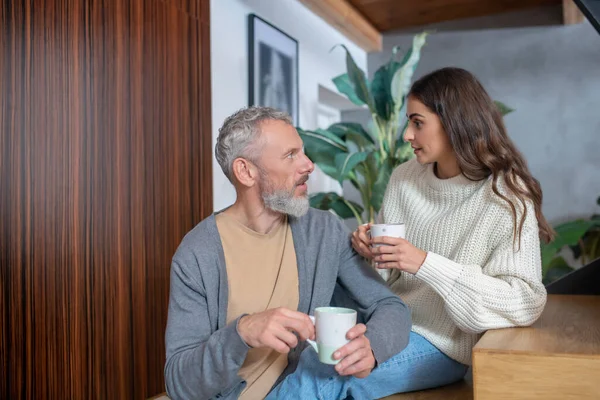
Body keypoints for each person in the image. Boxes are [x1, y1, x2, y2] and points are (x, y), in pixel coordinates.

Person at [164, 106, 412, 400]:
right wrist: (242, 332)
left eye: (303, 152)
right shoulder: (198, 253)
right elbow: (179, 383)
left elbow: (390, 307)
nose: (309, 165)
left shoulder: (322, 232)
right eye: (290, 155)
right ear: (246, 171)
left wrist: (372, 346)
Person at [351, 67, 551, 393]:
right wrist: (369, 252)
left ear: (454, 122)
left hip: (442, 345)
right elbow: (389, 279)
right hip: (386, 323)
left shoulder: (506, 194)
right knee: (308, 356)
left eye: (417, 122)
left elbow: (525, 301)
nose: (406, 135)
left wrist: (424, 263)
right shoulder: (405, 178)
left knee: (336, 374)